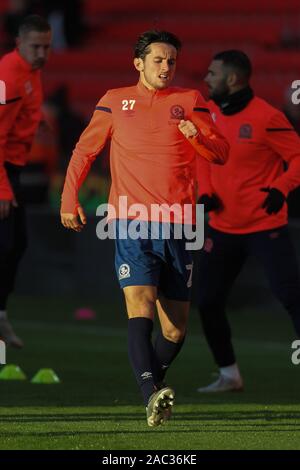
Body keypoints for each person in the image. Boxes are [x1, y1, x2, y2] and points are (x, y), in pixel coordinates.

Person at [60, 30, 229, 426]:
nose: (166, 67)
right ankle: (150, 392)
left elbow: (220, 153)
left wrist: (198, 137)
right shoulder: (115, 100)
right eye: (158, 60)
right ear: (138, 63)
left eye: (171, 60)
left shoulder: (190, 101)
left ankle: (154, 389)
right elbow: (85, 151)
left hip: (180, 225)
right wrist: (70, 199)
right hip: (130, 221)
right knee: (139, 305)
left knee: (175, 329)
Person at [195, 50, 300, 392]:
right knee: (208, 299)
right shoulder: (208, 113)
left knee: (291, 296)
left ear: (232, 79)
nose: (206, 79)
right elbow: (202, 158)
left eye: (213, 74)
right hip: (222, 227)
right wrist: (206, 191)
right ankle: (229, 374)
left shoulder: (267, 117)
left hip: (264, 226)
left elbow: (297, 157)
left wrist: (281, 188)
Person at [0, 15, 51, 348]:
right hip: (2, 170)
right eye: (35, 46)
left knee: (16, 245)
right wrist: (3, 189)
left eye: (46, 46)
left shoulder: (31, 72)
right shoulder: (8, 77)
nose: (42, 53)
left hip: (12, 168)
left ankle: (0, 313)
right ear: (19, 43)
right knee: (6, 245)